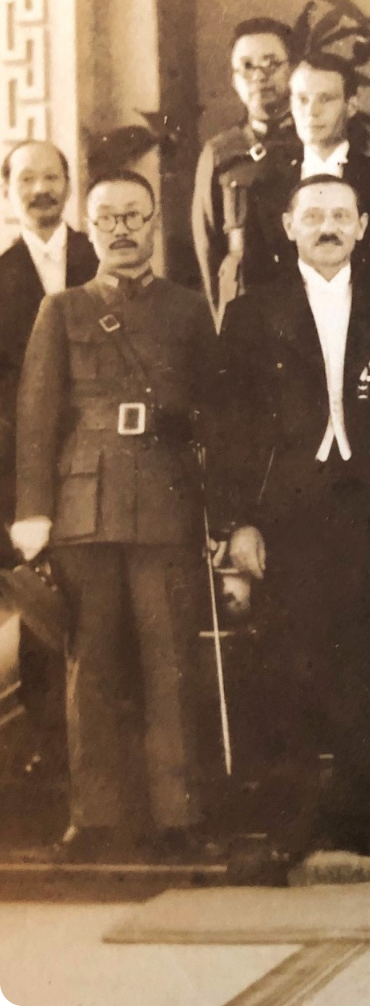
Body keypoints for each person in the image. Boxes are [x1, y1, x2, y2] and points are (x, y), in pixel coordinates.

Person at [216, 174, 370, 857]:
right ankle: (296, 817)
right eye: (314, 215)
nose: (328, 226)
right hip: (290, 512)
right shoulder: (253, 313)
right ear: (287, 226)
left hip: (368, 508)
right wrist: (240, 520)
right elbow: (230, 429)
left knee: (366, 665)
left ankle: (362, 812)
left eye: (341, 214)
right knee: (292, 663)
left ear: (363, 226)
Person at [12, 170, 218, 861]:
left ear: (155, 222)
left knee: (171, 661)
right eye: (108, 220)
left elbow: (211, 416)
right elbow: (38, 419)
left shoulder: (190, 310)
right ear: (89, 228)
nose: (123, 230)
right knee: (88, 664)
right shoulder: (63, 309)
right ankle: (93, 816)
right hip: (84, 506)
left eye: (135, 216)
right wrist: (33, 513)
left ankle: (179, 814)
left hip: (164, 499)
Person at [0, 140, 97, 782]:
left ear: (70, 182)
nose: (42, 189)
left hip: (98, 456)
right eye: (27, 178)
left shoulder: (102, 255)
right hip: (18, 462)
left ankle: (100, 748)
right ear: (9, 190)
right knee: (37, 600)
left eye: (52, 177)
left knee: (97, 597)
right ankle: (47, 748)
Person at [241, 53, 370, 299]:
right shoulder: (269, 183)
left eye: (326, 99)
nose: (312, 111)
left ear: (351, 106)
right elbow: (256, 279)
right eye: (302, 99)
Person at [190, 18, 301, 329]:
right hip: (245, 309)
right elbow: (208, 249)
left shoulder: (316, 144)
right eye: (247, 67)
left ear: (292, 69)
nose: (259, 77)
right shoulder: (220, 152)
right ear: (234, 79)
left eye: (271, 64)